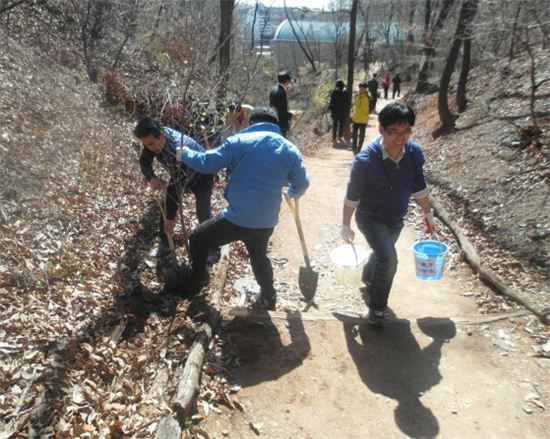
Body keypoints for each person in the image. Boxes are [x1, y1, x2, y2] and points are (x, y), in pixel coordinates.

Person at [176, 107, 310, 309]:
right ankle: (268, 295)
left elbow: (207, 163)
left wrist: (184, 154)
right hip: (267, 220)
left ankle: (198, 277)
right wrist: (291, 194)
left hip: (238, 218)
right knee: (258, 255)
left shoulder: (238, 142)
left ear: (251, 122)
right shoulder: (290, 149)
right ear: (275, 125)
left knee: (197, 239)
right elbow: (301, 184)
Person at [341, 103, 436, 326]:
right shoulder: (365, 161)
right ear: (381, 129)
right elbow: (352, 196)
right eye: (394, 131)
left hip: (396, 218)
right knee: (389, 258)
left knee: (381, 253)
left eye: (406, 131)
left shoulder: (414, 154)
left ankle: (367, 276)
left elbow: (419, 187)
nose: (401, 137)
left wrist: (428, 214)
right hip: (370, 217)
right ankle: (377, 308)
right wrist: (346, 225)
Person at [134, 118, 215, 259]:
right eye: (146, 145)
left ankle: (213, 246)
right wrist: (151, 177)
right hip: (183, 175)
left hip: (203, 176)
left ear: (161, 135)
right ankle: (165, 246)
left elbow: (176, 184)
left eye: (151, 143)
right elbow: (144, 161)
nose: (150, 148)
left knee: (203, 212)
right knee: (165, 210)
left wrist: (171, 218)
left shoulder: (178, 147)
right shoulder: (154, 142)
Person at [269, 71, 296, 138]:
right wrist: (290, 116)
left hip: (273, 121)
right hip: (280, 123)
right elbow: (281, 110)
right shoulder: (281, 92)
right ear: (287, 81)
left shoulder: (273, 90)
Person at [328, 79, 349, 145]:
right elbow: (348, 102)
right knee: (341, 125)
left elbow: (332, 101)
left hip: (335, 111)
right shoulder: (345, 91)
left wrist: (330, 108)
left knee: (335, 125)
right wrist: (347, 108)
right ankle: (340, 137)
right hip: (342, 110)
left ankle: (334, 138)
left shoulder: (334, 91)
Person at [351, 82, 370, 154]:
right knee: (354, 134)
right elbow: (354, 105)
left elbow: (371, 107)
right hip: (355, 118)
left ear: (366, 89)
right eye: (360, 88)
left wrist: (367, 114)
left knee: (361, 135)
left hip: (363, 119)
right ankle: (354, 147)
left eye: (363, 89)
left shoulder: (368, 97)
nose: (361, 90)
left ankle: (359, 148)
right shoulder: (356, 96)